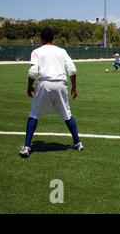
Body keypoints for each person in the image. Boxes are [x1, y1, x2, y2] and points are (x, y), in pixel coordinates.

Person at [19, 28, 84, 158]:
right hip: (61, 83)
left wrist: (29, 86)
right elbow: (72, 69)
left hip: (45, 83)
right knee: (67, 114)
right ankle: (78, 143)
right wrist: (74, 87)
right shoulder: (61, 51)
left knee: (34, 114)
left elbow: (32, 72)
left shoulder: (37, 52)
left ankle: (26, 147)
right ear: (53, 38)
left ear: (41, 38)